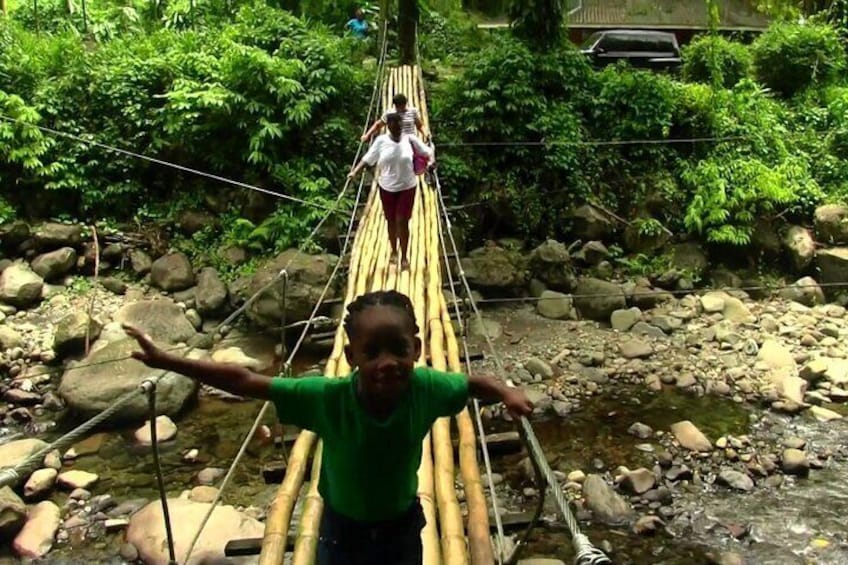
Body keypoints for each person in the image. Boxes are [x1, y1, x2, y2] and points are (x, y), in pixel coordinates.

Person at [123, 290, 533, 565]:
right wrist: (167, 361)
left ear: (418, 350)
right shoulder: (327, 397)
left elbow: (475, 384)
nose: (386, 362)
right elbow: (244, 381)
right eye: (371, 353)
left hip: (401, 525)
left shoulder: (427, 387)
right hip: (341, 529)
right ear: (351, 356)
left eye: (399, 349)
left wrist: (507, 393)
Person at [349, 113, 431, 271]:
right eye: (394, 127)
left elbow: (427, 152)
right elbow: (367, 159)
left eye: (399, 126)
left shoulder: (410, 139)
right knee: (391, 221)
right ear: (388, 127)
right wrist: (354, 172)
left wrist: (431, 162)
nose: (397, 129)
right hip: (387, 187)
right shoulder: (381, 141)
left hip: (407, 186)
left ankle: (405, 256)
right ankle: (394, 250)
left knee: (402, 221)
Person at [361, 94, 427, 143]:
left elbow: (420, 126)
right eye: (399, 105)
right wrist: (367, 135)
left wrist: (426, 134)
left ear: (406, 103)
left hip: (410, 140)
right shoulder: (390, 113)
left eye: (403, 105)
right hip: (395, 141)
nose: (401, 107)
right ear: (395, 105)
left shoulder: (413, 111)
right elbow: (378, 125)